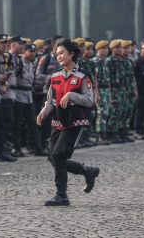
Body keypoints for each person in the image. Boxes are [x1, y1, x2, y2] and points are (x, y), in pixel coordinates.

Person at [37, 39, 99, 206]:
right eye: (57, 54)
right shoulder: (55, 76)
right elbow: (50, 100)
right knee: (53, 157)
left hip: (74, 121)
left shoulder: (82, 76)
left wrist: (72, 95)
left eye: (62, 53)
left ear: (72, 54)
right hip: (57, 121)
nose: (59, 57)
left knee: (58, 156)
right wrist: (43, 112)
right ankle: (87, 171)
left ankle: (61, 195)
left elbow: (89, 100)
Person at [13, 43, 47, 156]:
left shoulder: (32, 65)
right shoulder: (19, 63)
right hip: (18, 96)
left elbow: (34, 80)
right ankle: (17, 148)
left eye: (34, 52)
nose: (33, 54)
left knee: (33, 124)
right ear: (25, 51)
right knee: (17, 124)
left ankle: (37, 148)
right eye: (30, 51)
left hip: (29, 96)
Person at [92, 40, 111, 145]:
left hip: (106, 90)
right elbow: (94, 79)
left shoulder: (105, 61)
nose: (106, 50)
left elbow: (108, 78)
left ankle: (103, 135)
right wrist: (97, 93)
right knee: (101, 113)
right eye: (104, 48)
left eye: (107, 48)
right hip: (99, 90)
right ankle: (100, 136)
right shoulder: (94, 61)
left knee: (105, 113)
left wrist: (110, 94)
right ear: (98, 49)